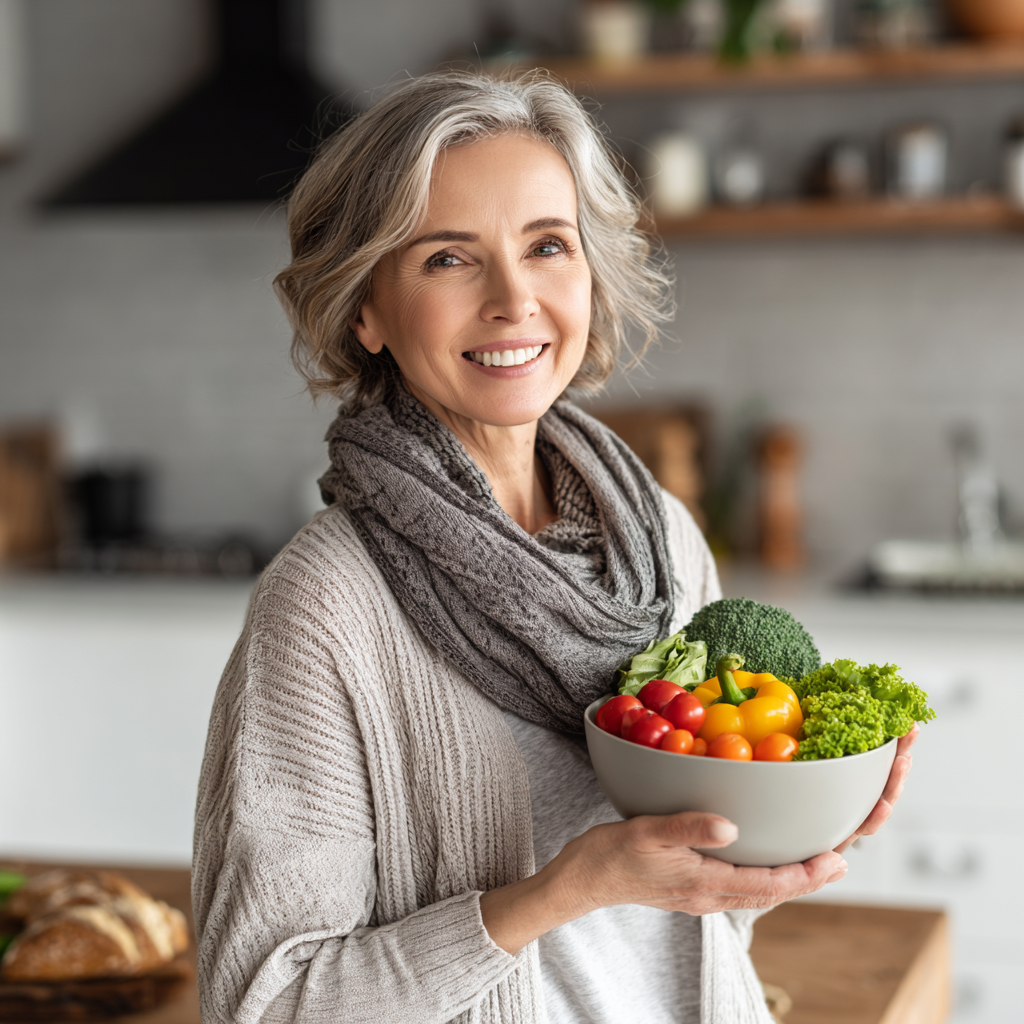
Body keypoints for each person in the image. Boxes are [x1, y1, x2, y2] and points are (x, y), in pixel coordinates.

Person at [192, 71, 917, 1024]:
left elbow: (693, 910)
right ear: (363, 310)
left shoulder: (654, 533)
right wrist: (563, 891)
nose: (513, 299)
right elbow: (267, 1002)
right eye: (448, 259)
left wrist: (793, 826)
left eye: (547, 246)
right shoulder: (327, 606)